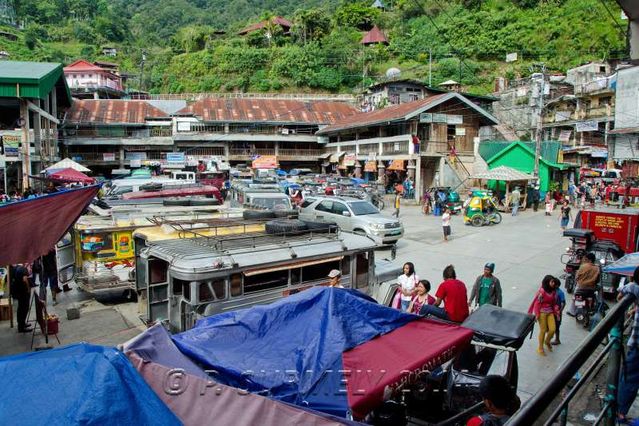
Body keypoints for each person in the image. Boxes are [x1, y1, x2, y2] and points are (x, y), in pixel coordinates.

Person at [616, 266, 639, 423]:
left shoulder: (635, 287)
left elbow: (622, 291)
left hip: (638, 345)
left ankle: (619, 412)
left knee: (630, 377)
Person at [529, 275, 560, 356]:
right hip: (542, 313)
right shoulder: (542, 292)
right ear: (547, 282)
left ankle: (547, 341)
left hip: (550, 312)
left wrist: (556, 312)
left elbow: (553, 303)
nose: (553, 283)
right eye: (552, 282)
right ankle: (540, 347)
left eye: (553, 282)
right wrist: (537, 314)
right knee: (543, 330)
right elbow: (537, 303)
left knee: (552, 329)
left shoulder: (553, 292)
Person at [11, 264, 33, 333]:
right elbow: (24, 279)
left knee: (21, 308)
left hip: (18, 292)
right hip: (23, 292)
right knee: (24, 308)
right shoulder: (22, 269)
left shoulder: (16, 268)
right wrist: (28, 288)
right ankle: (21, 327)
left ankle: (22, 324)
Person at [552, 277, 566, 345]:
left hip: (557, 312)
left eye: (553, 283)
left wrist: (560, 311)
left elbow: (563, 303)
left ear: (557, 285)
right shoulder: (552, 291)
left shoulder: (560, 292)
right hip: (552, 311)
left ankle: (557, 339)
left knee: (557, 326)